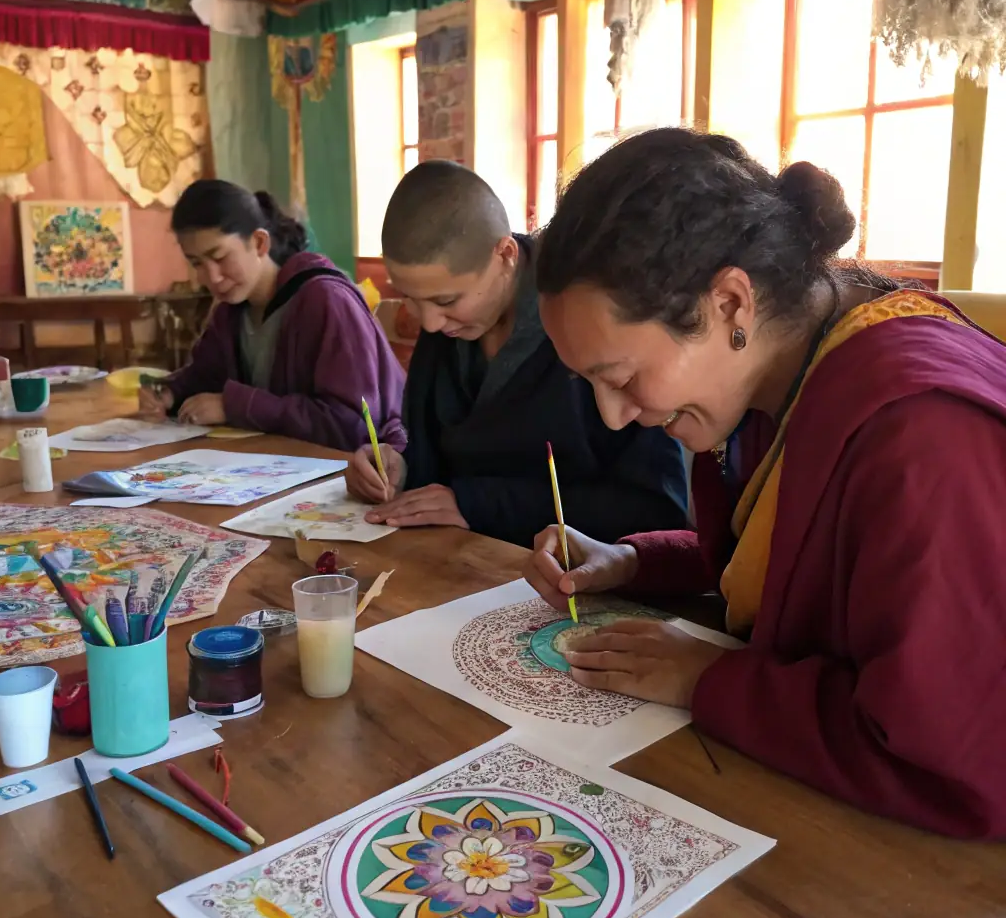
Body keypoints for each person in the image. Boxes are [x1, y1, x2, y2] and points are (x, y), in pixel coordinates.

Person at [525, 127, 1006, 840]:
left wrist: (707, 681)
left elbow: (950, 757)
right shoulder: (773, 380)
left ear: (729, 305)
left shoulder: (920, 437)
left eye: (620, 377)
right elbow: (799, 552)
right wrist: (635, 559)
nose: (614, 415)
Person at [344, 160, 687, 546]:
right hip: (456, 566)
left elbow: (658, 509)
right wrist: (398, 469)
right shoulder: (448, 328)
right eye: (410, 298)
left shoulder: (590, 323)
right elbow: (434, 466)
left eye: (446, 300)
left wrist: (479, 505)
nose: (429, 324)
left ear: (505, 254)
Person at [139, 180, 406, 451]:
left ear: (258, 242)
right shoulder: (230, 311)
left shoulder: (326, 300)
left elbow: (351, 425)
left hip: (366, 473)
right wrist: (169, 393)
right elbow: (205, 376)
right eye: (196, 263)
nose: (212, 277)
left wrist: (234, 406)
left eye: (219, 257)